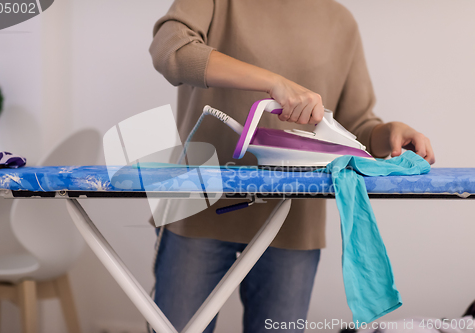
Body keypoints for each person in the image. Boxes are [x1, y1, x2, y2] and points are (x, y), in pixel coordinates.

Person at [149, 1, 435, 332]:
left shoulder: (339, 22)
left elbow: (355, 127)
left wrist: (389, 135)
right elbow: (171, 50)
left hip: (293, 222)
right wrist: (272, 82)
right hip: (199, 212)